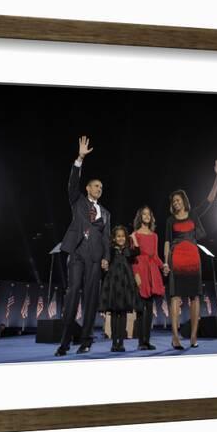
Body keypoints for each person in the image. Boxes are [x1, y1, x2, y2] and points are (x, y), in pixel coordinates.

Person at [55, 136, 111, 356]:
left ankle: (86, 340)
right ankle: (65, 342)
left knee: (91, 299)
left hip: (96, 258)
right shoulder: (77, 201)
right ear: (87, 188)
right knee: (72, 296)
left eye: (101, 187)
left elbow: (106, 237)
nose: (99, 188)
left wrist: (106, 256)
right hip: (77, 254)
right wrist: (79, 158)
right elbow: (71, 183)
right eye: (96, 185)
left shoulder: (106, 213)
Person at [164, 160, 217, 349]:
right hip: (176, 259)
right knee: (174, 297)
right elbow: (166, 242)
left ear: (184, 200)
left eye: (178, 199)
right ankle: (175, 337)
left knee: (195, 297)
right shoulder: (170, 220)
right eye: (173, 201)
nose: (176, 202)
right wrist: (166, 262)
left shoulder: (194, 214)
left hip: (192, 258)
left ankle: (193, 337)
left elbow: (210, 199)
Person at [99, 226, 140, 352]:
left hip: (125, 285)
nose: (121, 238)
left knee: (122, 314)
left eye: (123, 236)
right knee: (113, 313)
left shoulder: (128, 251)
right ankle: (114, 342)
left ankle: (121, 343)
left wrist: (133, 238)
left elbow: (138, 251)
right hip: (113, 284)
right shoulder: (111, 251)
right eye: (118, 236)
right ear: (114, 238)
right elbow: (105, 260)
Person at [131, 206, 166, 350]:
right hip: (140, 270)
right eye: (144, 214)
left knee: (150, 307)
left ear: (151, 217)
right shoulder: (134, 235)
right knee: (141, 308)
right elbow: (133, 257)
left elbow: (156, 256)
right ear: (140, 217)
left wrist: (163, 265)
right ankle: (140, 342)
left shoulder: (154, 235)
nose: (146, 216)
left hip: (152, 272)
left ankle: (147, 341)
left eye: (149, 214)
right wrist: (136, 275)